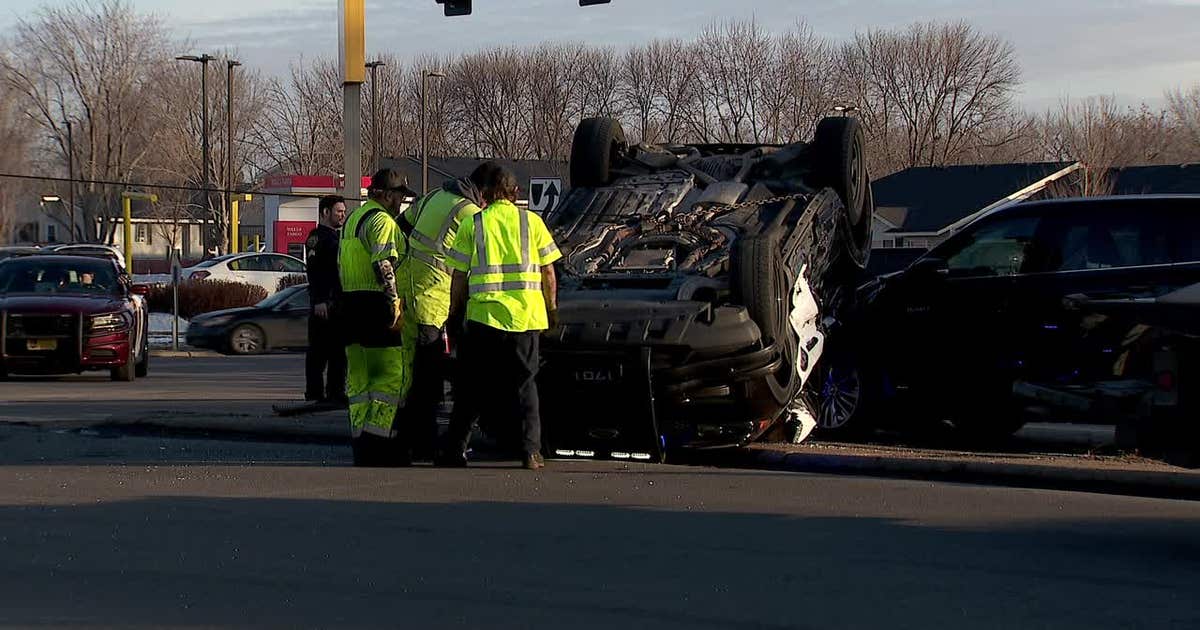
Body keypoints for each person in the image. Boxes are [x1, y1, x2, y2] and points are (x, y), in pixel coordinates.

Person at [438, 163, 562, 470]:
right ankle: (531, 452)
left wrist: (455, 314)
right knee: (525, 385)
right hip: (526, 319)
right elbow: (548, 271)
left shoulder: (474, 225)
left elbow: (459, 277)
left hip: (485, 318)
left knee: (471, 389)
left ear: (485, 194)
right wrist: (552, 308)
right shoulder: (533, 223)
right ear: (513, 192)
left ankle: (454, 450)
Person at [396, 167, 488, 460]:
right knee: (428, 376)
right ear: (482, 192)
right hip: (432, 296)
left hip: (409, 287)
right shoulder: (470, 213)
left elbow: (403, 225)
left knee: (414, 372)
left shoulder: (434, 195)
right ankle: (422, 444)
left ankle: (409, 441)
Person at [338, 168, 417, 467]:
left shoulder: (353, 220)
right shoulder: (382, 221)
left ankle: (361, 444)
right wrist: (394, 304)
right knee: (389, 376)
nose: (401, 202)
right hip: (375, 305)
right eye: (399, 196)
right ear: (385, 195)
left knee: (358, 379)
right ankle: (380, 442)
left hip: (350, 306)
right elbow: (383, 265)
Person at [304, 194, 347, 405]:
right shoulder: (317, 238)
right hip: (323, 304)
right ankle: (314, 393)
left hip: (338, 304)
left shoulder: (338, 238)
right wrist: (320, 299)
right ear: (325, 212)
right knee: (318, 352)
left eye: (343, 211)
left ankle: (336, 392)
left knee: (338, 352)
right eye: (339, 211)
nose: (342, 215)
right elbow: (314, 271)